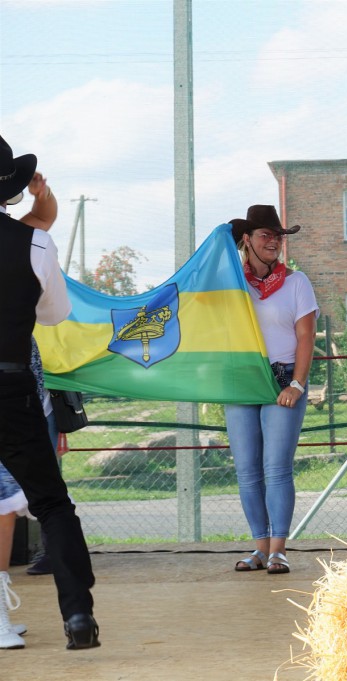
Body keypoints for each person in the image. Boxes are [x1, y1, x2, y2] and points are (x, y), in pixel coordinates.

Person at [0, 132, 99, 649]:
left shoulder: (34, 234)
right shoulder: (33, 242)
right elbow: (55, 314)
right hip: (9, 385)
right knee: (52, 504)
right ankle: (78, 617)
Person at [226, 205, 318, 575]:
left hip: (283, 378)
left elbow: (306, 336)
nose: (274, 242)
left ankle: (279, 549)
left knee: (276, 468)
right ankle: (259, 548)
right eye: (266, 235)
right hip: (242, 379)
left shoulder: (297, 282)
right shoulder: (231, 284)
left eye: (278, 236)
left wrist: (297, 383)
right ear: (246, 240)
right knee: (247, 470)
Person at [0, 168, 59, 648]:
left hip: (13, 377)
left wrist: (44, 194)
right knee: (2, 502)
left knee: (6, 500)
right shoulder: (19, 243)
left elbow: (43, 217)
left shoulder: (17, 237)